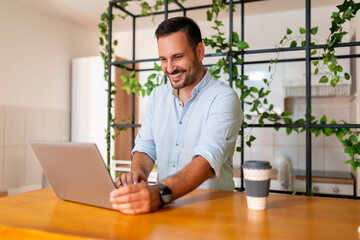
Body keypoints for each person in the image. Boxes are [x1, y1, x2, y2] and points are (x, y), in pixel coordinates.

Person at [109, 16, 242, 215]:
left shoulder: (223, 98)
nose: (170, 68)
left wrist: (159, 193)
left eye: (178, 57)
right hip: (166, 209)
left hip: (212, 213)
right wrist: (137, 175)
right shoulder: (157, 96)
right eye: (164, 59)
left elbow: (206, 161)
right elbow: (146, 147)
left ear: (199, 52)